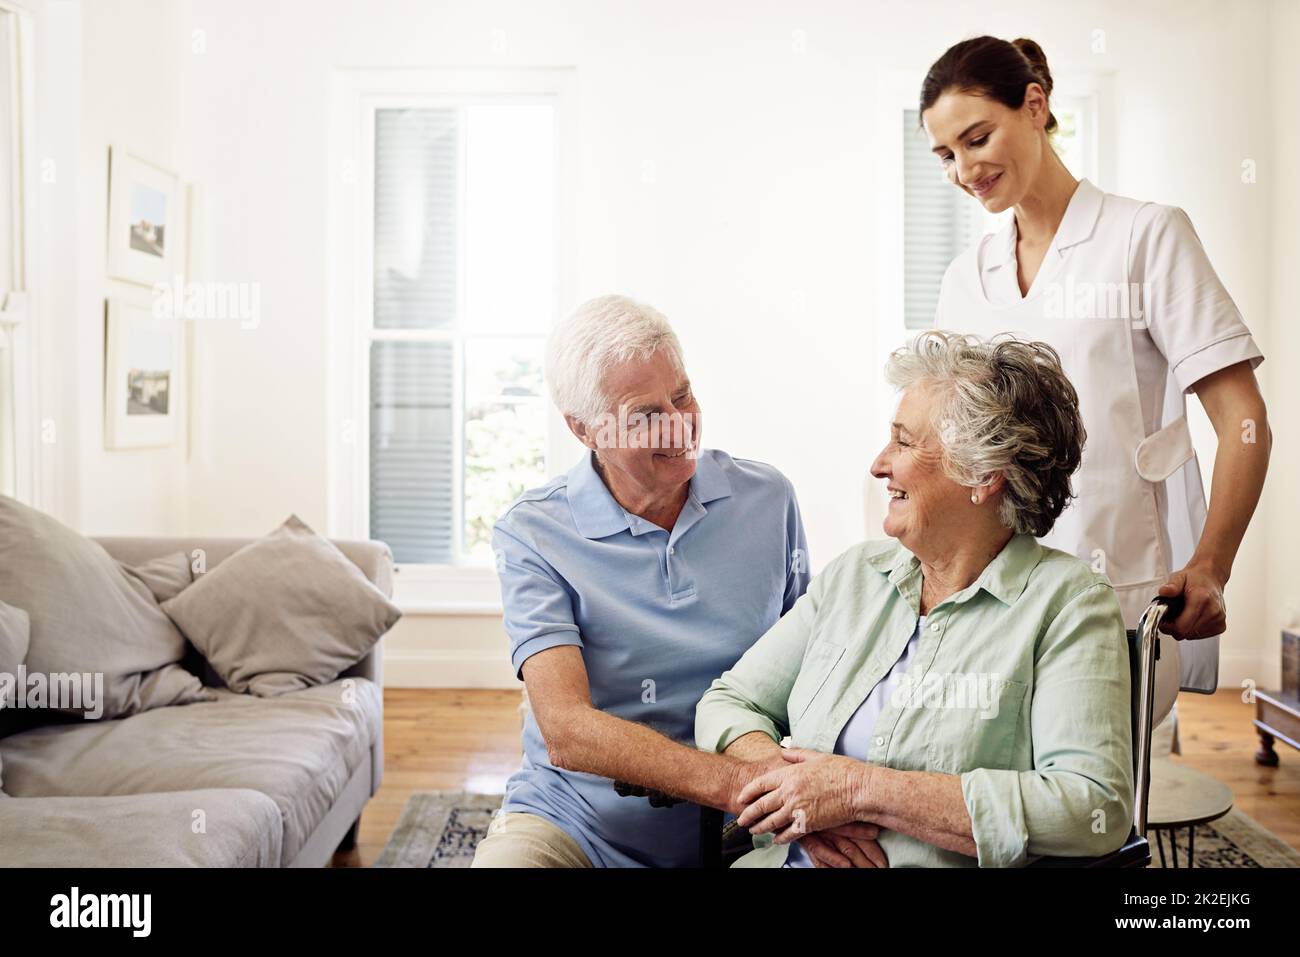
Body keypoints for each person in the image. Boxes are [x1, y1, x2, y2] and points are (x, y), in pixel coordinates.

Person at [921, 35, 1270, 734]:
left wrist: (1211, 566)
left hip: (1119, 587)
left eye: (976, 137)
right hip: (992, 596)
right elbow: (948, 439)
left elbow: (1242, 420)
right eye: (946, 155)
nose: (963, 169)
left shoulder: (1146, 237)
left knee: (1095, 810)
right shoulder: (966, 277)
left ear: (1036, 104)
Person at [696, 331, 1133, 867]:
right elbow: (730, 702)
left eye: (904, 443)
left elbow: (1093, 808)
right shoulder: (857, 576)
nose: (880, 465)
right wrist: (798, 797)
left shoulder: (1068, 606)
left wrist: (862, 790)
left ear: (983, 473)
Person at [472, 294, 852, 867]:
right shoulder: (534, 533)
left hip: (748, 826)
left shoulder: (767, 499)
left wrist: (825, 793)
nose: (679, 427)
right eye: (646, 414)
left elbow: (811, 670)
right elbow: (567, 730)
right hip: (580, 822)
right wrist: (736, 783)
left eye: (682, 396)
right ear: (585, 430)